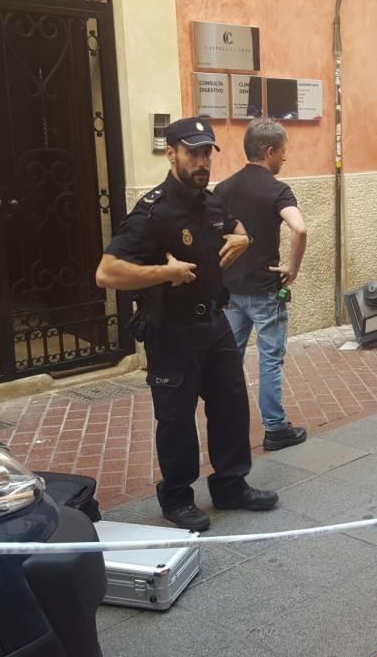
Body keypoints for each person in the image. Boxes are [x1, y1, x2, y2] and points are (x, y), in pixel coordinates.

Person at [95, 117, 278, 532]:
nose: (200, 161)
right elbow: (106, 273)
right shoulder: (152, 211)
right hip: (172, 332)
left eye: (206, 153)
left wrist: (242, 237)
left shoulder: (210, 202)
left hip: (215, 323)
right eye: (191, 152)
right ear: (170, 153)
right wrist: (164, 273)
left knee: (231, 406)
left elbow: (232, 226)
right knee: (177, 419)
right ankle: (177, 498)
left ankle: (231, 485)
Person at [214, 118, 308, 451]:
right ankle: (275, 428)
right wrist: (292, 268)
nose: (285, 159)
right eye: (283, 152)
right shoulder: (276, 189)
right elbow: (299, 228)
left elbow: (212, 237)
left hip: (231, 291)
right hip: (265, 289)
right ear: (269, 151)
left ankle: (226, 426)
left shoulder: (223, 189)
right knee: (270, 359)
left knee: (229, 360)